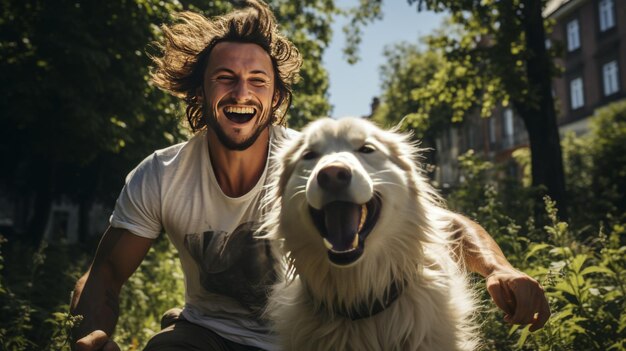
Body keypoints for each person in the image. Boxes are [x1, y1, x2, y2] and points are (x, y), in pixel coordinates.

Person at [70, 1, 550, 350]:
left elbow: (443, 223)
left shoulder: (308, 162)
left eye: (258, 79)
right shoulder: (161, 174)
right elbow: (108, 271)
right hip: (206, 335)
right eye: (225, 77)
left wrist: (498, 268)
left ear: (275, 97)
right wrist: (91, 337)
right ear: (200, 89)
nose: (242, 91)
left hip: (300, 336)